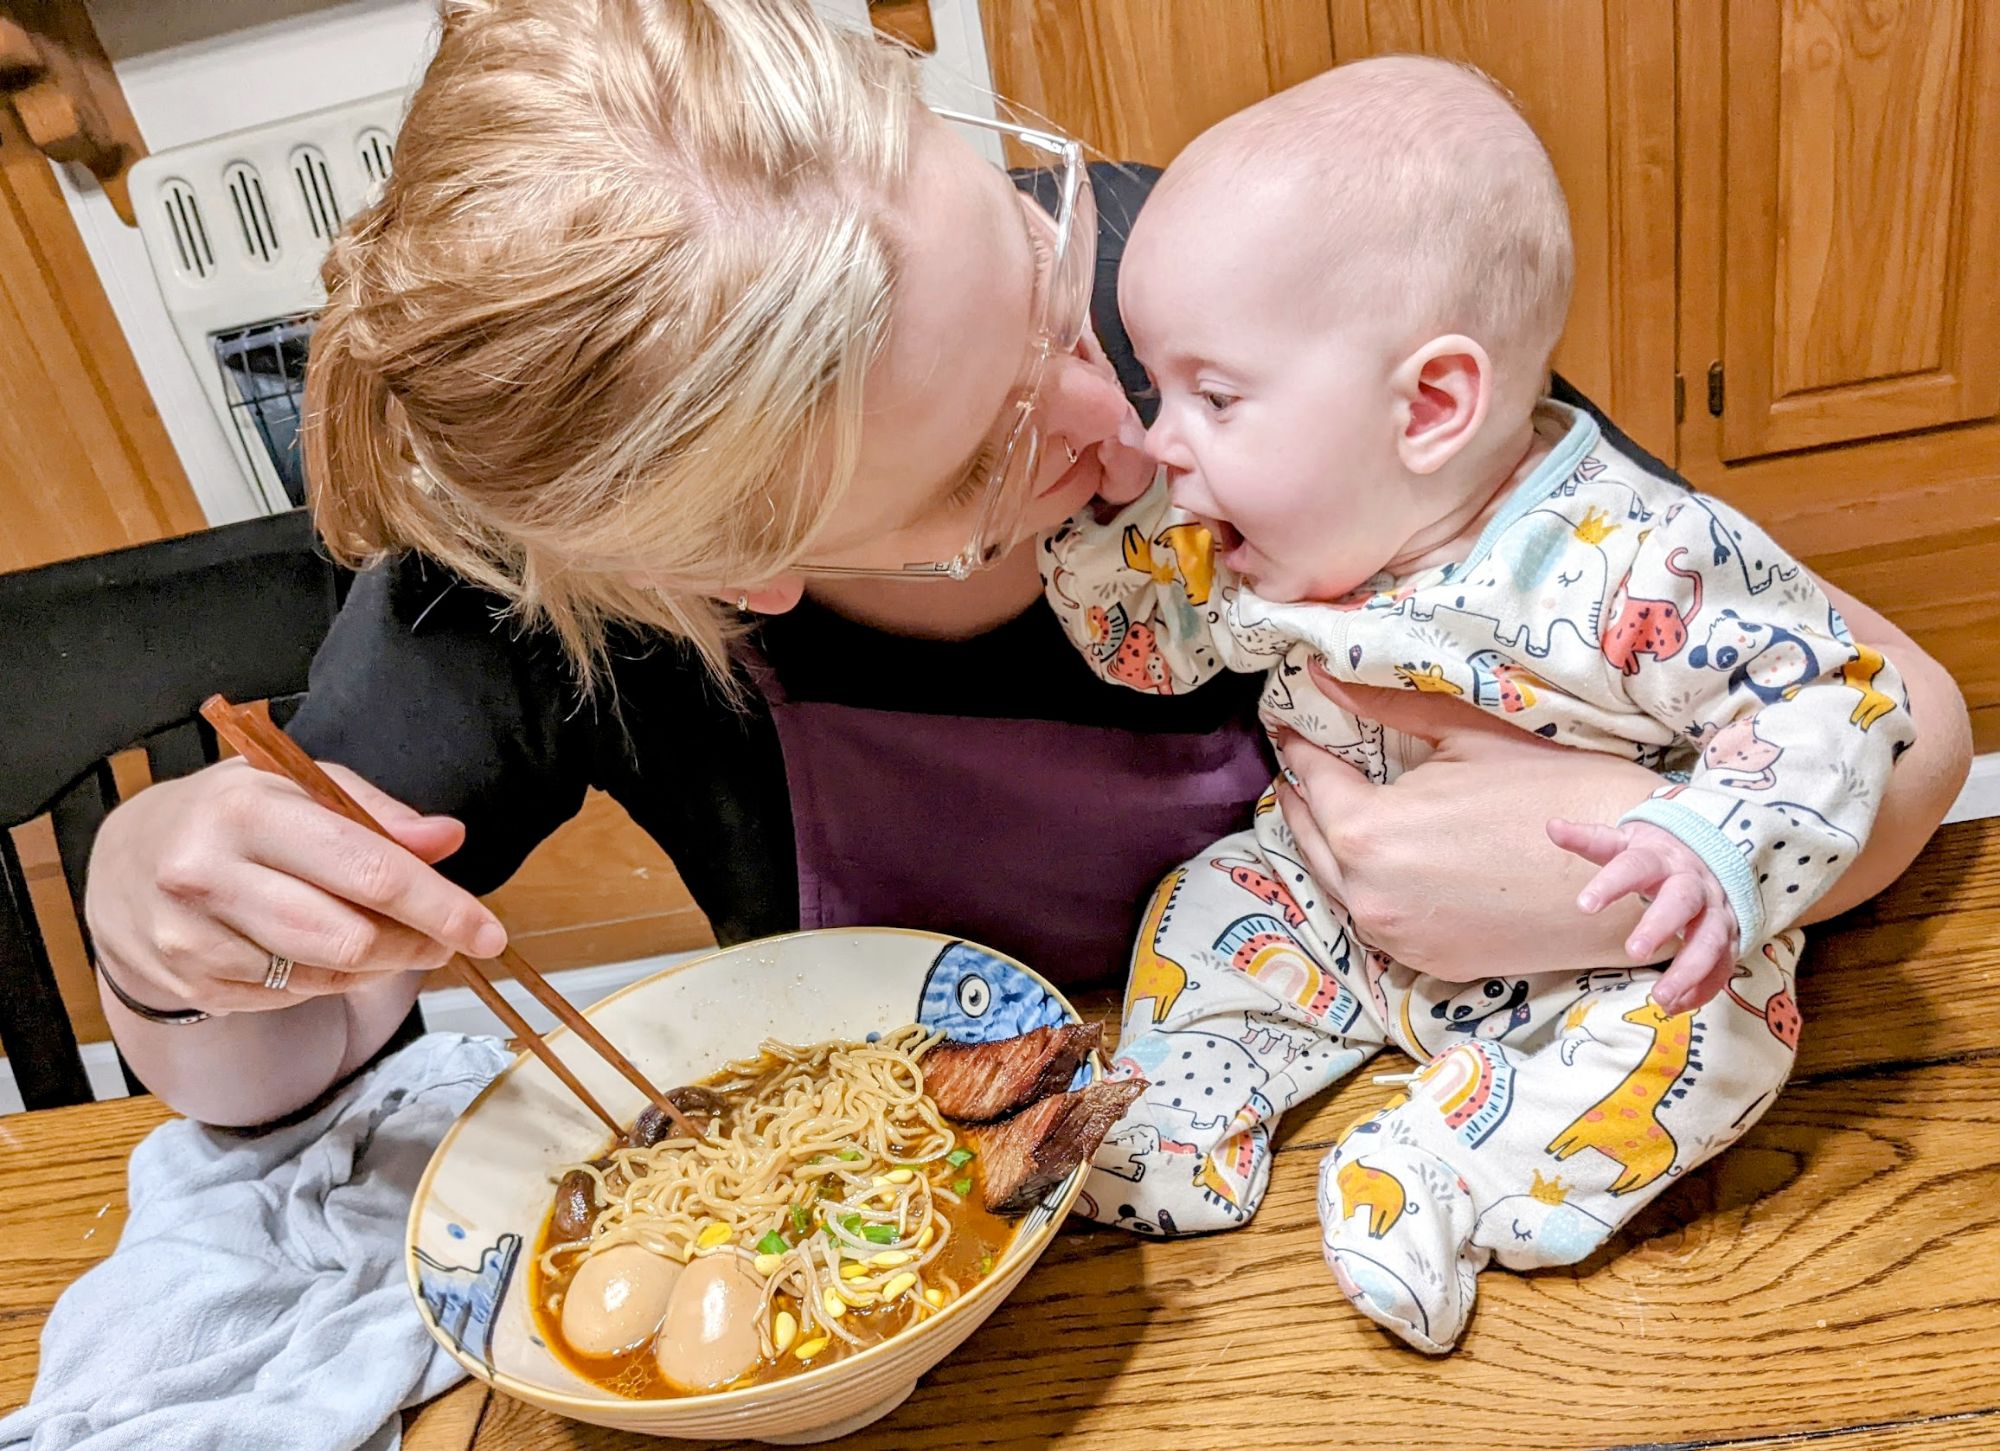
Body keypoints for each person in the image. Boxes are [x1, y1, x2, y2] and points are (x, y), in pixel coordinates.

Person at [82, 0, 1968, 1140]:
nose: (1128, 420)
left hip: (1458, 1112)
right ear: (738, 573)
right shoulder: (532, 580)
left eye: (1043, 264)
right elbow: (274, 1067)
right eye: (997, 453)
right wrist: (167, 949)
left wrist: (1630, 863)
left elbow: (1914, 720)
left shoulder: (1235, 303)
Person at [1041, 57, 1915, 1353]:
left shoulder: (1637, 557)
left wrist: (1710, 838)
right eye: (1159, 394)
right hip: (1329, 905)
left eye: (1212, 398)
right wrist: (1110, 522)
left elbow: (1841, 692)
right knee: (1212, 903)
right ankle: (1175, 1122)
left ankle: (1448, 1168)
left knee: (1717, 1036)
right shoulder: (1262, 534)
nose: (1166, 439)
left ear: (1432, 407)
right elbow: (1152, 653)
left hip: (1591, 958)